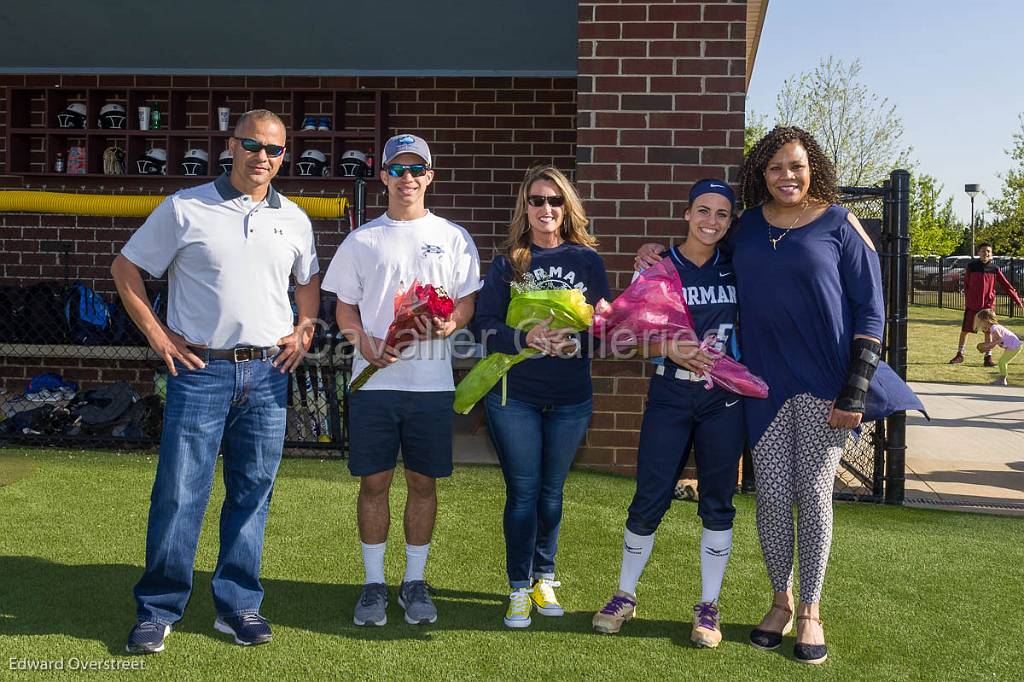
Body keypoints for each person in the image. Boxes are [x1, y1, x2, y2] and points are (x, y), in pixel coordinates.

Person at [634, 127, 922, 664]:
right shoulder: (743, 229)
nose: (786, 177)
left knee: (811, 494)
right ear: (759, 175)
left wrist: (854, 391)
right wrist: (656, 255)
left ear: (813, 167)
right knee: (769, 496)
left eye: (795, 166)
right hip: (761, 385)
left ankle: (811, 610)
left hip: (825, 384)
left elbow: (871, 312)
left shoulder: (840, 222)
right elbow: (700, 251)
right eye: (774, 168)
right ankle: (779, 601)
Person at [112, 109, 320, 654]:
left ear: (284, 156)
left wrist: (305, 328)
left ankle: (239, 606)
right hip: (200, 371)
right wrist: (159, 339)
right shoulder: (185, 207)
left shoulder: (295, 218)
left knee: (253, 492)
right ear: (231, 146)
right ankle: (158, 609)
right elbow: (125, 269)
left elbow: (309, 280)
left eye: (274, 149)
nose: (262, 157)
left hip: (270, 375)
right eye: (252, 144)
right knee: (180, 493)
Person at [321, 133, 481, 627]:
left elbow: (466, 299)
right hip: (374, 383)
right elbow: (343, 304)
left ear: (430, 176)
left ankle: (414, 581)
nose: (406, 178)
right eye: (397, 169)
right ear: (383, 176)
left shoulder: (453, 236)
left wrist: (452, 323)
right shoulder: (362, 239)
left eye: (416, 169)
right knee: (374, 482)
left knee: (422, 482)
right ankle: (373, 584)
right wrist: (362, 342)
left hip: (431, 385)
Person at [592, 179, 742, 649]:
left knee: (717, 500)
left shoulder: (739, 269)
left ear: (730, 221)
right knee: (649, 495)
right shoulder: (658, 267)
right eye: (703, 210)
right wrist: (665, 347)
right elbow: (619, 337)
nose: (711, 221)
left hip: (724, 398)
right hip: (671, 395)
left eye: (721, 213)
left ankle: (708, 606)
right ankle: (625, 594)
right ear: (686, 214)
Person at [475, 165, 610, 628]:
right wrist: (525, 339)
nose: (546, 209)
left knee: (552, 496)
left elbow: (605, 328)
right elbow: (484, 325)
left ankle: (544, 577)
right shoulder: (509, 262)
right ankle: (517, 586)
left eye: (554, 200)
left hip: (571, 397)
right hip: (516, 396)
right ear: (525, 207)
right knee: (524, 493)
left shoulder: (587, 261)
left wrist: (578, 343)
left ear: (566, 206)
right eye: (536, 200)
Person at [948, 243, 1023, 366]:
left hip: (988, 307)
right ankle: (960, 355)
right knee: (965, 330)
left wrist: (1017, 300)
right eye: (983, 251)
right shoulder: (972, 266)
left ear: (991, 253)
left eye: (988, 251)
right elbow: (966, 285)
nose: (986, 253)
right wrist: (968, 301)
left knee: (989, 332)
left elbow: (1006, 286)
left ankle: (988, 358)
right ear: (979, 253)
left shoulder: (994, 269)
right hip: (972, 306)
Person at [974, 309, 1021, 386]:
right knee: (1002, 362)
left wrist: (990, 344)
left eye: (980, 321)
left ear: (986, 320)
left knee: (1002, 362)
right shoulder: (994, 327)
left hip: (1014, 346)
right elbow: (998, 341)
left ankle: (1002, 380)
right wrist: (988, 346)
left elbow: (1000, 339)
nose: (980, 323)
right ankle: (1002, 379)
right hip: (1014, 345)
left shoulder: (994, 328)